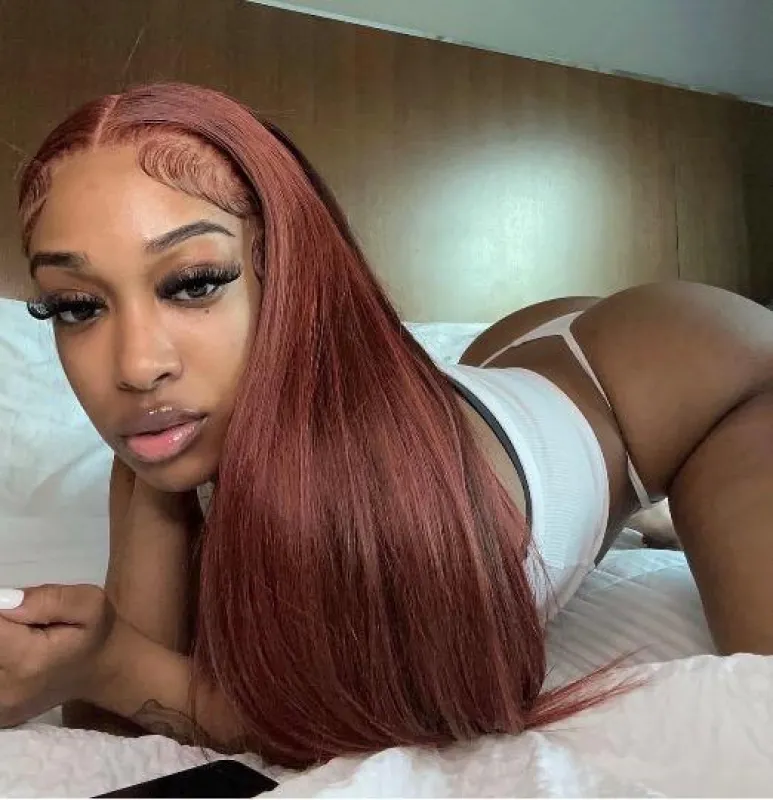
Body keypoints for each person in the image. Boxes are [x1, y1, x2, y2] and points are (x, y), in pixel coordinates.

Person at [1, 82, 772, 769]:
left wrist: (108, 661)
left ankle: (647, 504)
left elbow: (356, 722)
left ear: (284, 268)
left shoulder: (377, 492)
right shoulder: (157, 438)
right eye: (77, 305)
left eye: (194, 283)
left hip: (685, 370)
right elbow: (119, 728)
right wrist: (83, 659)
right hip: (506, 350)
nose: (136, 366)